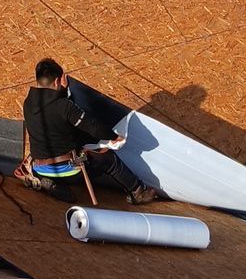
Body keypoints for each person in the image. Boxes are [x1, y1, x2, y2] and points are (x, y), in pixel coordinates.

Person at [15, 58, 161, 205]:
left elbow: (52, 111)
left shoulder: (28, 103)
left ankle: (43, 180)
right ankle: (138, 192)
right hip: (69, 171)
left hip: (40, 167)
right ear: (57, 81)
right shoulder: (65, 107)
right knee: (108, 159)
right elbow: (93, 126)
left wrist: (63, 91)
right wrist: (114, 136)